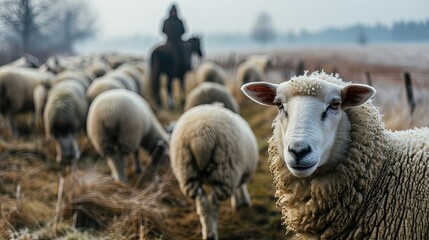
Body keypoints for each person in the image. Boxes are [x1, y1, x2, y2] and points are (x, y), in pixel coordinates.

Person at [161, 4, 187, 69]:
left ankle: (185, 66)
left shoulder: (179, 21)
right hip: (170, 41)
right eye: (172, 11)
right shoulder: (168, 21)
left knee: (185, 51)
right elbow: (163, 31)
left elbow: (184, 31)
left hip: (177, 42)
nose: (173, 13)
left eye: (174, 11)